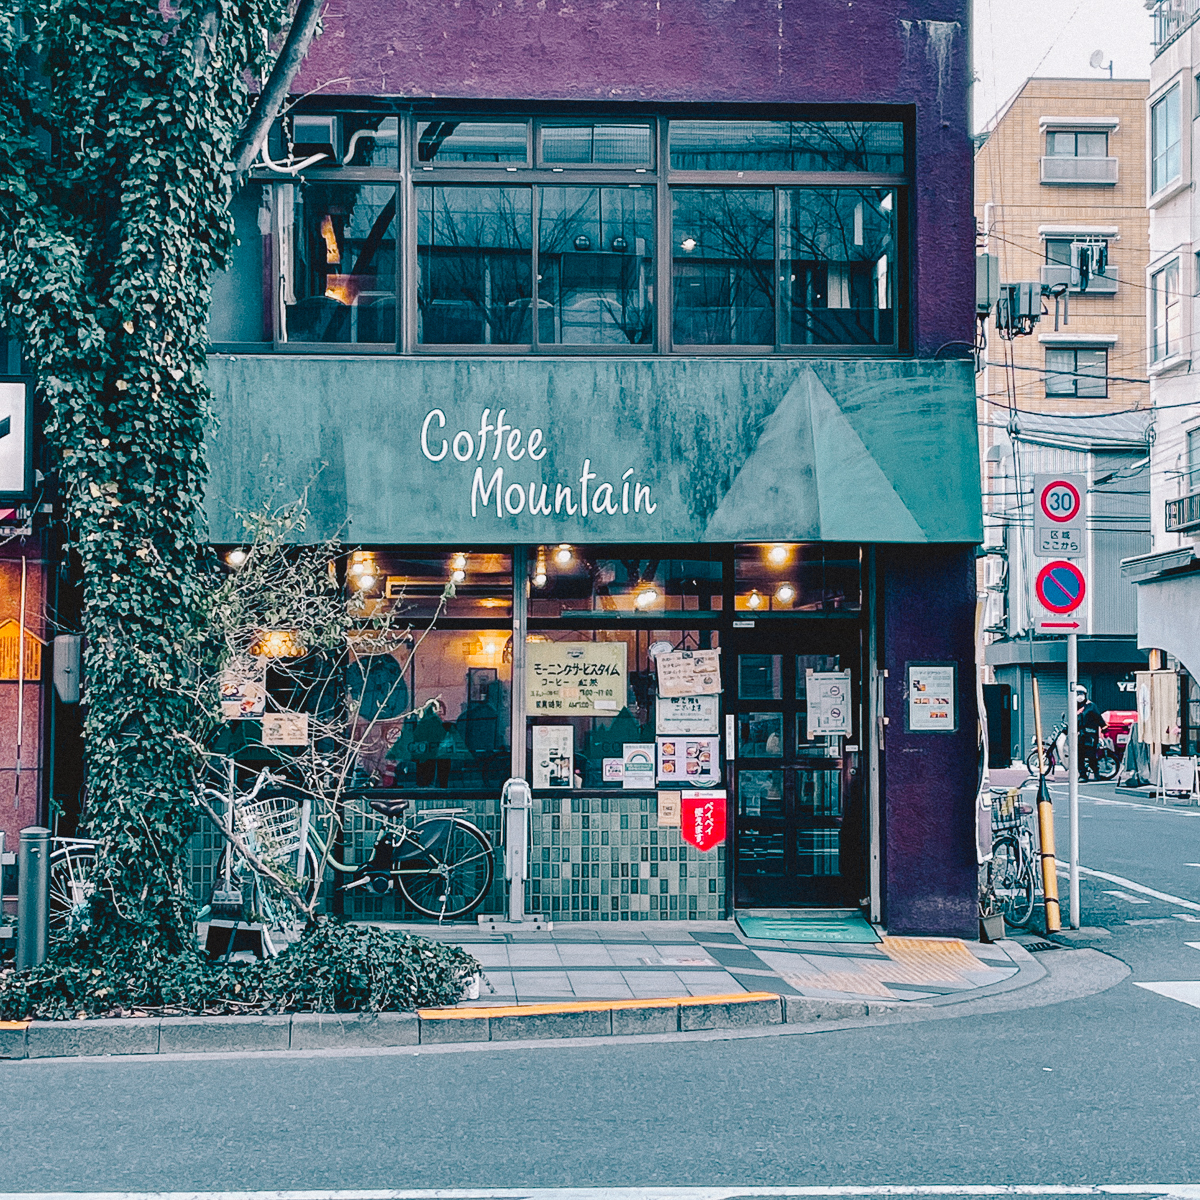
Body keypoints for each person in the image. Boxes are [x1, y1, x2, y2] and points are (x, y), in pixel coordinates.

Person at [1076, 685, 1105, 780]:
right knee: (1079, 757)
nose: (1079, 696)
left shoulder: (1091, 706)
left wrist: (1104, 728)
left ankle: (1096, 773)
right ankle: (1083, 775)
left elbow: (1099, 718)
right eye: (1077, 694)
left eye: (1081, 694)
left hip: (1090, 736)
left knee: (1091, 755)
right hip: (1080, 737)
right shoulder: (1074, 707)